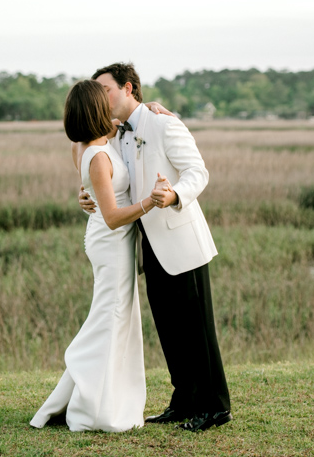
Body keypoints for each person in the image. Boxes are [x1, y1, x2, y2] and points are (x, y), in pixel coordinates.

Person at [80, 63, 231, 432]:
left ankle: (215, 407)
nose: (101, 97)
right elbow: (108, 177)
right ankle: (184, 400)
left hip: (180, 239)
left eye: (106, 89)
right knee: (169, 327)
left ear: (128, 88)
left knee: (197, 328)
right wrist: (86, 195)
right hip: (146, 243)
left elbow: (198, 172)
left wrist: (174, 194)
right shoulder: (113, 134)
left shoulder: (164, 123)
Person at [30, 79, 167, 432]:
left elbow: (122, 128)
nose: (109, 102)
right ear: (94, 109)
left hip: (113, 241)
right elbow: (112, 216)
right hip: (111, 242)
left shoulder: (92, 144)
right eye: (102, 99)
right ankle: (91, 406)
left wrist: (152, 109)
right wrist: (150, 202)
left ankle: (99, 397)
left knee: (116, 317)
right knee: (110, 317)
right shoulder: (97, 155)